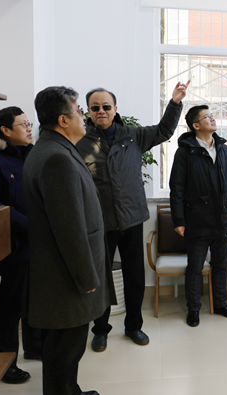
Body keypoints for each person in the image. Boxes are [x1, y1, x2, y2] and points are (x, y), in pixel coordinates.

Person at [23, 86, 114, 395]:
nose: (84, 117)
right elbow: (69, 228)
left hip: (60, 271)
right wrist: (86, 276)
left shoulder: (54, 148)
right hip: (66, 276)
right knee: (64, 350)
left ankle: (70, 394)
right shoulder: (57, 158)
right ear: (63, 120)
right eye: (78, 111)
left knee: (66, 347)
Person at [76, 82, 187, 352]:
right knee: (101, 279)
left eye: (106, 106)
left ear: (115, 109)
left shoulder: (133, 135)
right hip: (100, 223)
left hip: (132, 219)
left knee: (135, 277)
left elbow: (164, 131)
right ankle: (100, 329)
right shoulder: (80, 141)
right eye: (95, 107)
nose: (101, 111)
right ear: (88, 111)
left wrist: (174, 103)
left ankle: (134, 326)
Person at [169, 105, 227, 327]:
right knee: (195, 268)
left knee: (221, 265)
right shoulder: (185, 152)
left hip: (225, 217)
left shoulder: (225, 150)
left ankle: (220, 304)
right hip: (197, 219)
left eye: (212, 115)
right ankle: (193, 309)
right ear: (196, 125)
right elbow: (177, 189)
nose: (213, 119)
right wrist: (179, 220)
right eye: (207, 117)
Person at [0, 106, 42, 384]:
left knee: (34, 299)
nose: (29, 129)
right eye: (23, 125)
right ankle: (5, 362)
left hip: (36, 242)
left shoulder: (29, 154)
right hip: (13, 244)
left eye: (29, 123)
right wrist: (32, 226)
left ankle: (34, 346)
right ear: (6, 131)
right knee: (12, 304)